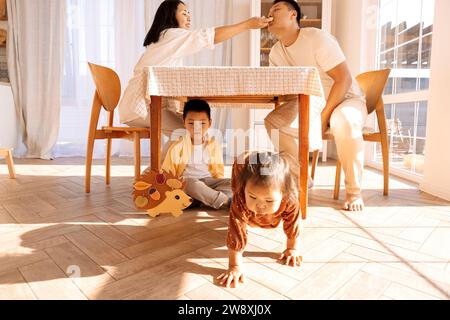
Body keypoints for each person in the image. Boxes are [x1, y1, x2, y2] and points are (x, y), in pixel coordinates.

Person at [118, 0, 271, 157]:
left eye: (189, 13)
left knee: (194, 130)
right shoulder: (171, 35)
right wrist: (247, 24)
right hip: (142, 107)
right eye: (184, 13)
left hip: (150, 105)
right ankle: (161, 175)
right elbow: (210, 36)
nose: (189, 17)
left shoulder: (164, 38)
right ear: (170, 15)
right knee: (188, 132)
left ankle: (167, 173)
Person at [264, 0, 367, 211]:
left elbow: (344, 79)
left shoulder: (316, 38)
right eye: (269, 12)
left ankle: (354, 192)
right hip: (312, 101)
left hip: (346, 97)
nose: (270, 15)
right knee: (273, 122)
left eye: (276, 9)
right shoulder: (275, 52)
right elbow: (286, 91)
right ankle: (301, 176)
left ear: (293, 15)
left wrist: (323, 117)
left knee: (344, 121)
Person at [217, 151, 301, 288]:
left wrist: (292, 248)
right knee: (238, 209)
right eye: (253, 197)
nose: (260, 206)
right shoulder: (240, 198)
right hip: (243, 164)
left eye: (269, 200)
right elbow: (236, 230)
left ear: (284, 195)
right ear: (244, 190)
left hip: (257, 169)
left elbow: (293, 223)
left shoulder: (290, 200)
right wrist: (234, 266)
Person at [162, 99, 231, 210]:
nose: (197, 127)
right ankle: (225, 201)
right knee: (189, 183)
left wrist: (216, 183)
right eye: (191, 123)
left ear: (210, 123)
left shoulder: (213, 144)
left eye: (202, 123)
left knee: (232, 183)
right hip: (188, 184)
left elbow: (218, 170)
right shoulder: (177, 146)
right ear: (184, 122)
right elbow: (168, 172)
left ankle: (200, 199)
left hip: (208, 182)